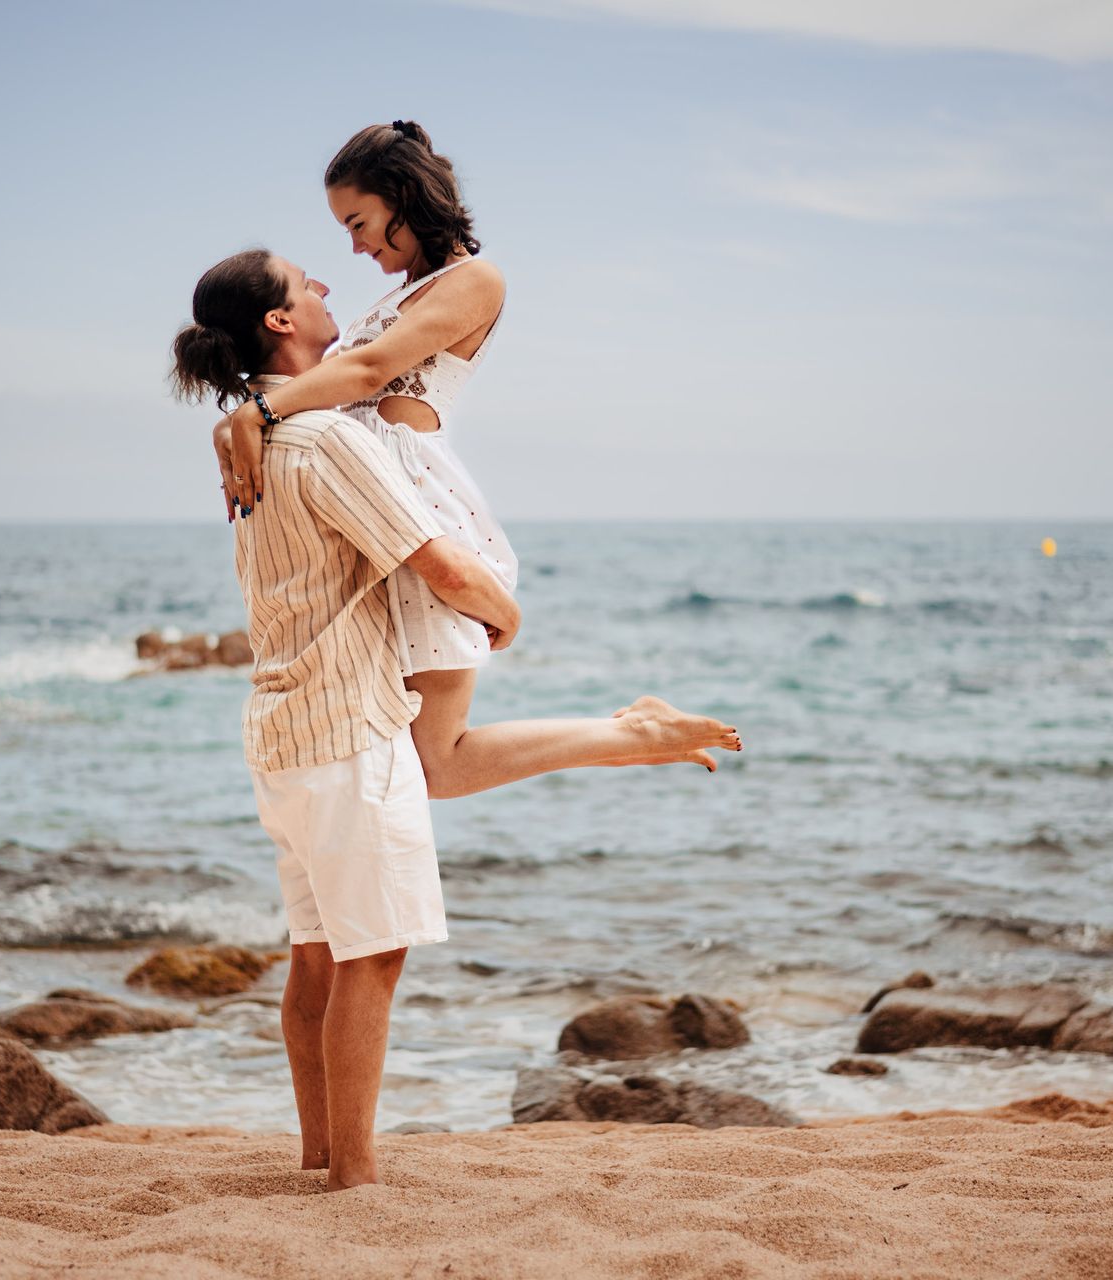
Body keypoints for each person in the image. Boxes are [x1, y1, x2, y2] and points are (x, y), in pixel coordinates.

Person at [171, 248, 737, 1189]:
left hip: (281, 735)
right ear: (279, 322)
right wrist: (505, 613)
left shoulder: (254, 443)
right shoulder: (324, 439)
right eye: (306, 282)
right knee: (372, 959)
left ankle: (320, 1157)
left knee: (316, 958)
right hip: (349, 733)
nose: (326, 287)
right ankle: (353, 1178)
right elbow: (438, 563)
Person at [212, 120, 740, 798]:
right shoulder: (402, 293)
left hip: (417, 500)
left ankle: (638, 734)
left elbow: (369, 370)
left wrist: (254, 413)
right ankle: (636, 735)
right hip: (376, 507)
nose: (356, 245)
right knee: (419, 754)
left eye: (359, 223)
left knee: (439, 761)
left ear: (404, 197)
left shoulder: (475, 280)